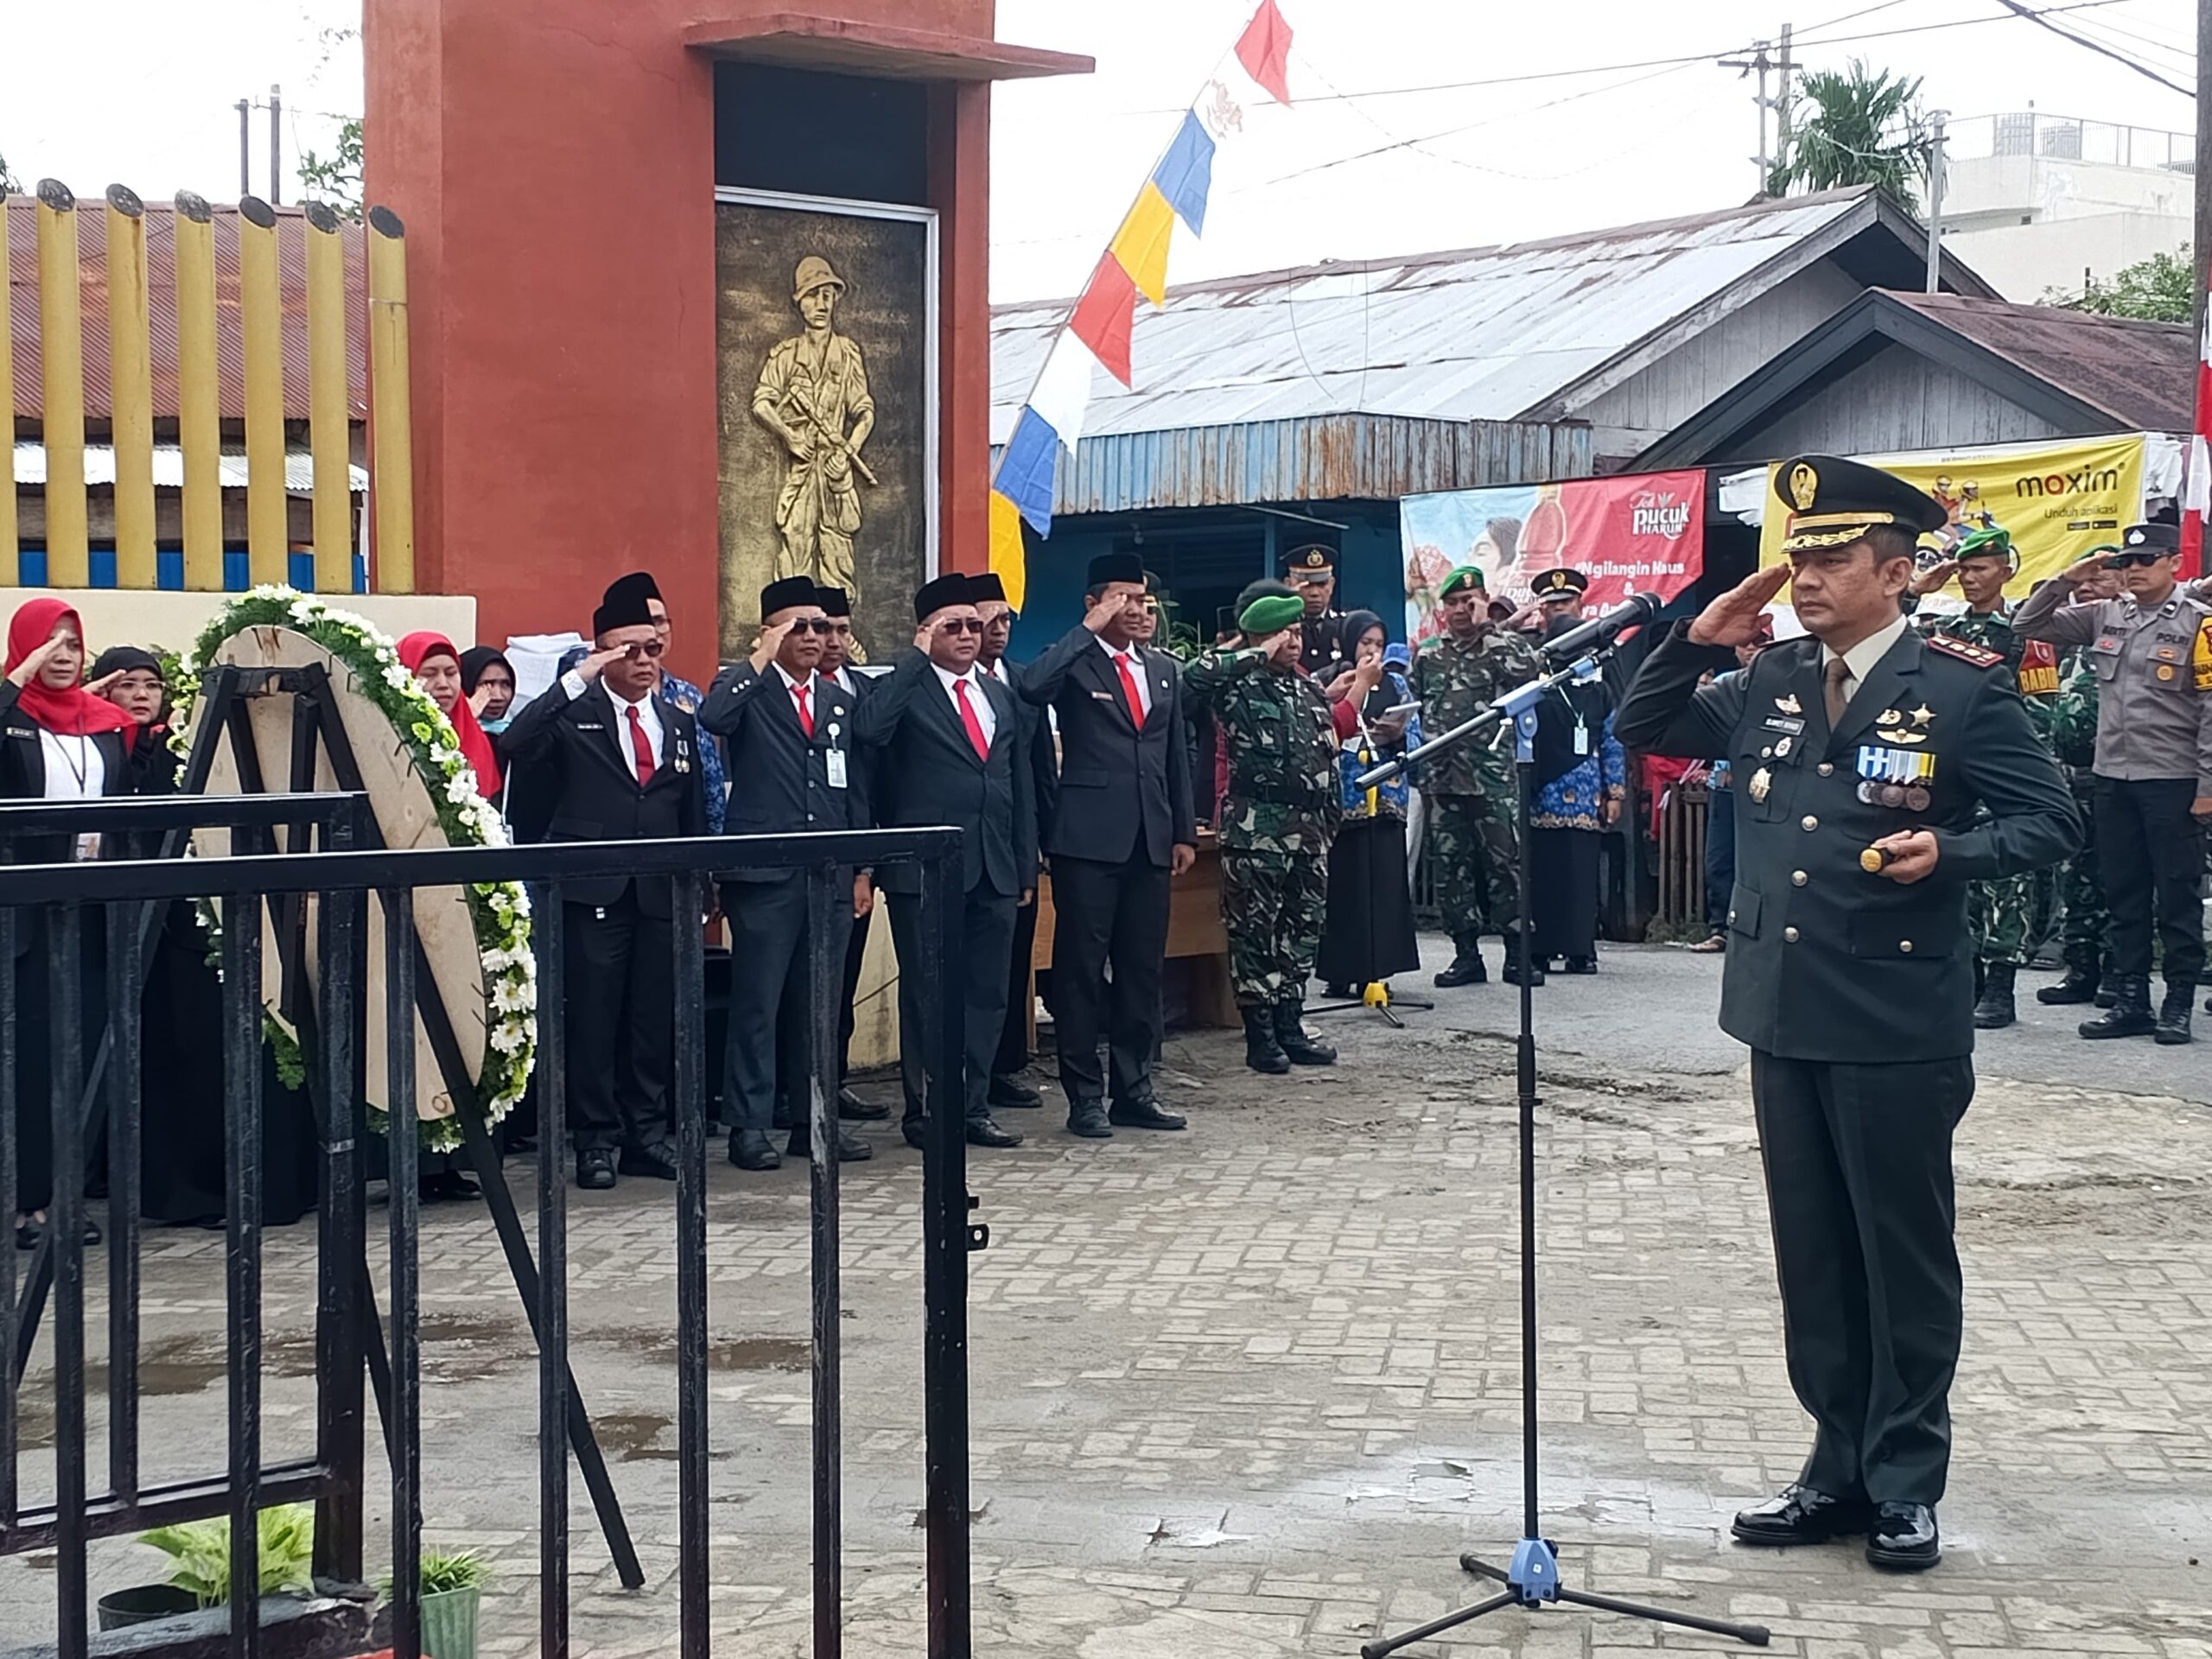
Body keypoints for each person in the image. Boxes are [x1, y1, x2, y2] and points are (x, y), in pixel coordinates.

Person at [1616, 454, 2078, 1573]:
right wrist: (1697, 634)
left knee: (1899, 1257)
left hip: (1893, 1016)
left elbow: (2050, 821)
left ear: (1897, 573)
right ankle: (1834, 1469)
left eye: (1832, 559)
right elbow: (1644, 724)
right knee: (1815, 1256)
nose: (1807, 578)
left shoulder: (1960, 688)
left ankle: (1906, 1480)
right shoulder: (1771, 674)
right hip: (1782, 1011)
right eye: (1801, 558)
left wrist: (1951, 851)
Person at [495, 578, 707, 1190]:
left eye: (651, 649)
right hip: (594, 888)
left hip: (659, 890)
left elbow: (690, 809)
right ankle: (596, 1140)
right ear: (602, 652)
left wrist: (699, 883)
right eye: (627, 650)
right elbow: (515, 742)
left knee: (651, 1017)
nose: (642, 661)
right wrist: (577, 678)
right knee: (594, 1017)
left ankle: (647, 1135)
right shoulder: (576, 714)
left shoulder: (677, 720)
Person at [1018, 551, 1195, 1137]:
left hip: (1150, 839)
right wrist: (1086, 631)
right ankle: (1084, 1095)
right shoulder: (1076, 662)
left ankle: (1134, 1089)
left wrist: (1182, 830)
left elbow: (1174, 756)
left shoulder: (1161, 669)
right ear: (1094, 603)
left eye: (1143, 599)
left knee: (1143, 970)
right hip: (1089, 840)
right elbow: (1032, 688)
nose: (1137, 609)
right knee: (1081, 971)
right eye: (1123, 599)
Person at [2013, 522, 2212, 1044]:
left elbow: (2211, 711)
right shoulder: (2106, 613)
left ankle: (2177, 1003)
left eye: (2146, 560)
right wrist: (2066, 578)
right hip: (2113, 778)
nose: (2134, 569)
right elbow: (2027, 623)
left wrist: (2207, 786)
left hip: (2173, 780)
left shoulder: (2199, 622)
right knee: (2123, 894)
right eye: (2126, 562)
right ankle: (2131, 1001)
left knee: (2177, 896)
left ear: (2175, 563)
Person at [855, 574, 1032, 1149]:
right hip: (927, 871)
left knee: (987, 994)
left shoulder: (997, 693)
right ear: (926, 631)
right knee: (929, 993)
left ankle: (972, 1107)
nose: (968, 635)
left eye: (974, 625)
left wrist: (1023, 863)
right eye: (952, 627)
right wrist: (914, 658)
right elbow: (869, 731)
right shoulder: (907, 688)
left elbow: (1017, 783)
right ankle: (928, 1110)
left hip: (994, 865)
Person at [702, 576, 874, 1169]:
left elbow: (852, 788)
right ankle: (749, 1126)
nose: (812, 636)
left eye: (820, 626)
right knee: (758, 1005)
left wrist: (860, 868)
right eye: (798, 626)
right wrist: (759, 657)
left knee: (818, 1008)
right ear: (770, 632)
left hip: (827, 875)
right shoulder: (746, 688)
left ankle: (813, 1122)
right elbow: (714, 717)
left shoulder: (836, 699)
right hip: (766, 877)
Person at [3, 600, 138, 1248]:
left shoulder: (102, 723)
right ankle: (24, 1202)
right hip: (25, 914)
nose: (61, 654)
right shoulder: (13, 720)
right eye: (48, 642)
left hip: (89, 908)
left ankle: (62, 1196)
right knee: (28, 1058)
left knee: (79, 1057)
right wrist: (17, 678)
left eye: (72, 643)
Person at [1908, 530, 2063, 1028]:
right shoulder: (1942, 630)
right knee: (1957, 875)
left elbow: (2043, 708)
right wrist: (1918, 590)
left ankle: (2000, 987)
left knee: (2005, 884)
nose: (1971, 578)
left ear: (2006, 571)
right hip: (1950, 775)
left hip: (2000, 773)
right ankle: (1967, 980)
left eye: (1981, 569)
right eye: (1965, 570)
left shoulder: (2025, 633)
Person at [1184, 590, 1342, 1072]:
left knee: (1302, 931)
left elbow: (1326, 756)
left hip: (1309, 831)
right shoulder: (1237, 685)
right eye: (1281, 634)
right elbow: (1193, 676)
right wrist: (1252, 651)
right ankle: (1261, 1036)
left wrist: (1329, 822)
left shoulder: (1308, 689)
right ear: (1258, 637)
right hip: (1258, 830)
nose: (1293, 641)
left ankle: (1291, 1026)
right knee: (1255, 932)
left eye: (1296, 632)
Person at [1410, 566, 1545, 987]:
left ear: (1483, 601)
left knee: (1506, 865)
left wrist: (1491, 628)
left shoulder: (1504, 646)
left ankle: (1517, 954)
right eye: (1452, 603)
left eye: (1468, 602)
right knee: (1452, 868)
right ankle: (1465, 955)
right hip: (1442, 777)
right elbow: (1418, 701)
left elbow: (1530, 673)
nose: (1460, 610)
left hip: (1491, 777)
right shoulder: (1429, 655)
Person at [973, 571, 1054, 1111]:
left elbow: (1040, 769)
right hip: (969, 846)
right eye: (989, 621)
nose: (999, 629)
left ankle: (1003, 1066)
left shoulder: (1024, 683)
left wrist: (1044, 840)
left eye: (1006, 620)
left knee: (1011, 960)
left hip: (1016, 844)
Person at [812, 583, 891, 1124]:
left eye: (843, 629)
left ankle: (835, 1079)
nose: (834, 641)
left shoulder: (863, 693)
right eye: (824, 630)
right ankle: (794, 1091)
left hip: (854, 857)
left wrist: (866, 866)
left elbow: (870, 783)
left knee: (845, 977)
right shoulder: (779, 691)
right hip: (800, 858)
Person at [753, 257, 874, 598]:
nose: (821, 304)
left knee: (839, 553)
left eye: (827, 295)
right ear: (799, 302)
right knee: (795, 549)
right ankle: (791, 622)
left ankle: (842, 625)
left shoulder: (847, 353)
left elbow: (865, 412)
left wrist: (850, 449)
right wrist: (789, 436)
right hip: (802, 469)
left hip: (835, 471)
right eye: (812, 295)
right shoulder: (786, 355)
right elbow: (762, 402)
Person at [1316, 612, 1421, 1000]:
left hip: (1386, 799)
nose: (1372, 652)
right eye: (1365, 643)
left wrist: (1397, 736)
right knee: (1344, 889)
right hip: (1342, 801)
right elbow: (1315, 732)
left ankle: (1377, 972)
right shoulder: (1327, 681)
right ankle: (1339, 971)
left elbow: (1417, 738)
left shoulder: (1396, 683)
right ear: (1349, 643)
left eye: (1379, 644)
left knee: (1383, 888)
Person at [1526, 568, 1625, 974]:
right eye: (1550, 606)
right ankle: (1542, 947)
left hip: (1587, 794)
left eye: (1565, 604)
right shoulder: (1532, 665)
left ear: (1581, 606)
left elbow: (1614, 734)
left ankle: (1581, 948)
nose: (1558, 611)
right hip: (1541, 791)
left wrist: (1615, 791)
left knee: (1581, 873)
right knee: (1543, 872)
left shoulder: (1601, 667)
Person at [2035, 556, 2122, 1007]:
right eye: (2082, 580)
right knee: (2074, 877)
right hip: (2067, 776)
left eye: (2099, 577)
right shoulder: (2069, 636)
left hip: (2117, 774)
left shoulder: (2131, 629)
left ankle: (2118, 971)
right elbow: (2026, 620)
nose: (2086, 586)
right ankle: (2081, 969)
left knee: (2118, 877)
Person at [632, 576, 728, 836]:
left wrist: (715, 836)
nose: (656, 631)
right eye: (648, 621)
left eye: (661, 621)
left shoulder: (688, 694)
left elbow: (710, 771)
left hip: (684, 828)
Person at [399, 632, 503, 804]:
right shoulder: (392, 735)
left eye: (451, 673)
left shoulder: (475, 737)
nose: (443, 684)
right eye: (429, 674)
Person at [88, 644, 181, 793]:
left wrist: (173, 735)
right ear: (103, 690)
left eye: (152, 685)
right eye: (128, 685)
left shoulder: (178, 741)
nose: (142, 695)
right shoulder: (88, 745)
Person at [1286, 544, 1348, 678]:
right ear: (1289, 584)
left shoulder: (1345, 627)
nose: (1314, 593)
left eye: (1321, 584)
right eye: (1306, 585)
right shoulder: (1281, 628)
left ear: (1332, 584)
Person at [459, 646, 518, 729]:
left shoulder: (520, 733)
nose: (498, 697)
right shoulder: (444, 731)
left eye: (505, 684)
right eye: (486, 685)